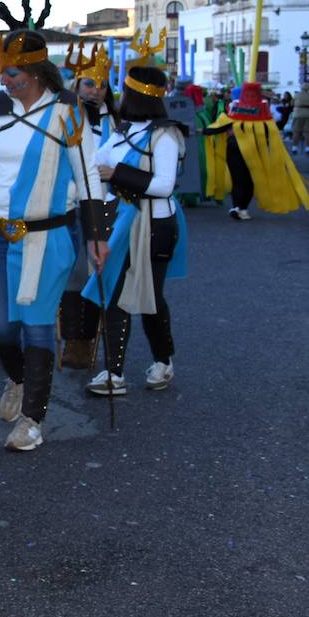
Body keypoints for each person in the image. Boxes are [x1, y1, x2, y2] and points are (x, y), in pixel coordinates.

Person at [0, 30, 108, 452]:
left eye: (13, 73)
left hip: (47, 237)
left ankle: (33, 418)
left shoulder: (68, 114)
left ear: (34, 72)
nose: (6, 81)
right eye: (2, 73)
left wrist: (96, 235)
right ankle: (18, 378)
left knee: (37, 326)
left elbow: (87, 178)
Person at [82, 66, 188, 395]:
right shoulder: (123, 128)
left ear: (138, 96)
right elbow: (96, 160)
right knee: (115, 294)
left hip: (156, 225)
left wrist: (116, 174)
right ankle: (114, 374)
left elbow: (165, 185)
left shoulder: (166, 135)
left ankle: (163, 361)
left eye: (127, 92)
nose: (121, 97)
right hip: (122, 220)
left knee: (150, 298)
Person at [58, 41, 115, 370]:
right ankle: (73, 339)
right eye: (89, 84)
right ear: (76, 85)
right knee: (72, 275)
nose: (95, 91)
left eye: (102, 85)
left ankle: (91, 340)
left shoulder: (116, 123)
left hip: (109, 207)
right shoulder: (63, 119)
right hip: (71, 208)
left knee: (101, 276)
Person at [205, 81, 309, 219]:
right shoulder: (260, 111)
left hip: (240, 149)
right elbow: (270, 131)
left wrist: (205, 130)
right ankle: (240, 208)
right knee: (244, 179)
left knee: (242, 179)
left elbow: (218, 127)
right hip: (246, 150)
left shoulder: (238, 109)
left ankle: (240, 207)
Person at [290, 84, 309, 155]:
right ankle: (308, 148)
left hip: (298, 114)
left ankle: (294, 147)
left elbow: (291, 103)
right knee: (307, 132)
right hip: (308, 115)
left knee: (296, 131)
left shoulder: (297, 95)